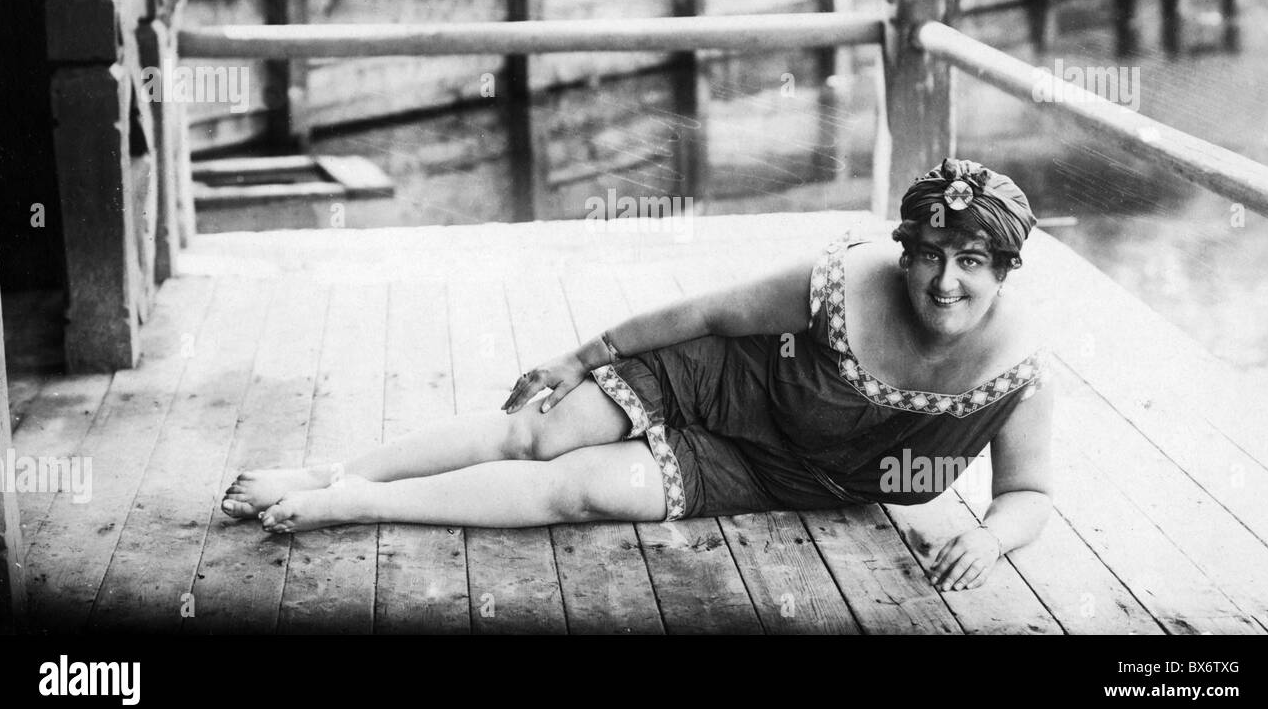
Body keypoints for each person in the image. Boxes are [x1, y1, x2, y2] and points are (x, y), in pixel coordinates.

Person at [222, 157, 1054, 592]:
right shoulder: (846, 280)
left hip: (770, 472)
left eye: (971, 262)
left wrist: (989, 537)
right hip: (723, 376)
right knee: (540, 432)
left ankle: (359, 503)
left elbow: (1029, 493)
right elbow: (710, 313)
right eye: (931, 256)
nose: (946, 282)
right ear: (906, 254)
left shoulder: (1015, 372)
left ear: (1004, 270)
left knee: (578, 490)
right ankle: (331, 473)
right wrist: (582, 357)